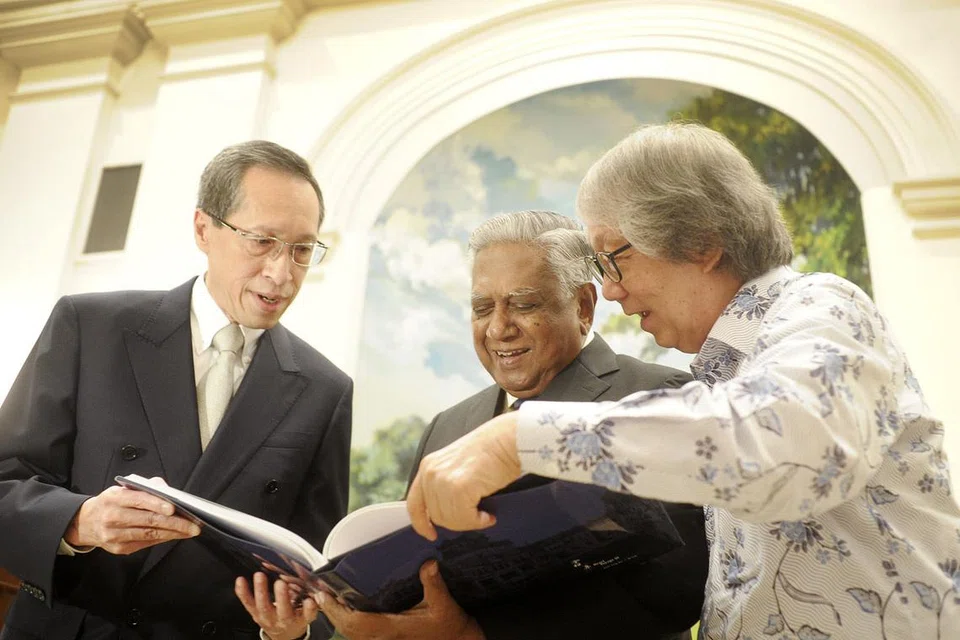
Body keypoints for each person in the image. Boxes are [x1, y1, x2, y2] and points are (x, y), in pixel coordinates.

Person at [402, 123, 960, 639]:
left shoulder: (823, 307)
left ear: (699, 242)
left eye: (613, 260)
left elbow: (783, 448)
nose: (613, 293)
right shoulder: (728, 374)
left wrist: (515, 439)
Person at [0, 141, 352, 640]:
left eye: (301, 249)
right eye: (262, 241)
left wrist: (289, 631)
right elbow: (4, 481)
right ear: (203, 229)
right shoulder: (91, 326)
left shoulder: (325, 390)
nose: (282, 273)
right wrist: (78, 522)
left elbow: (311, 565)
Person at [320, 211, 707, 640]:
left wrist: (474, 634)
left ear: (583, 306)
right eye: (482, 308)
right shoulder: (446, 427)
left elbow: (678, 590)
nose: (499, 328)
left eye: (523, 305)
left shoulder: (659, 398)